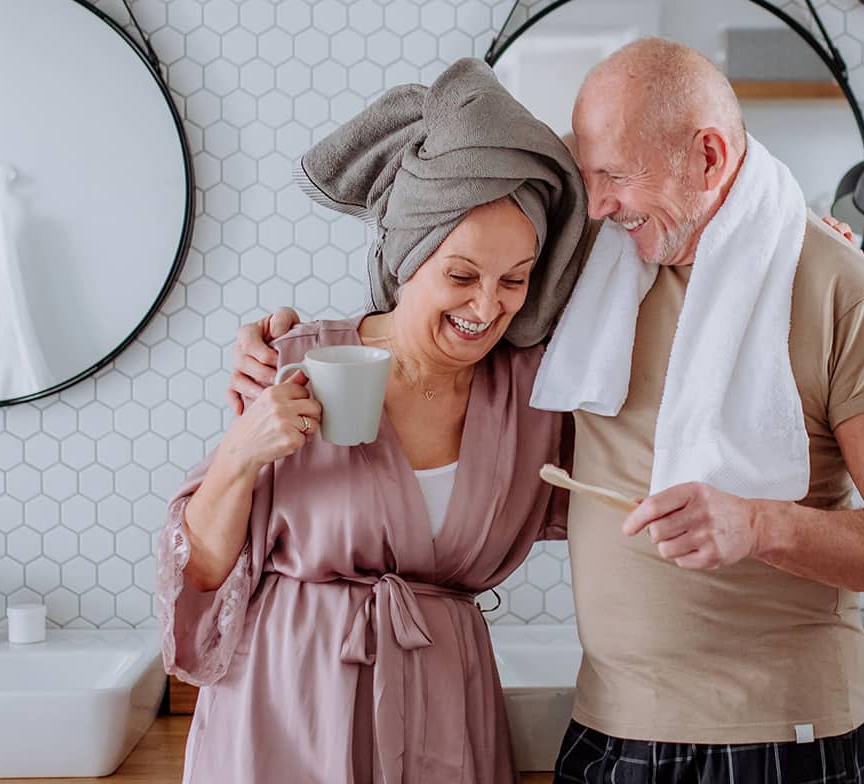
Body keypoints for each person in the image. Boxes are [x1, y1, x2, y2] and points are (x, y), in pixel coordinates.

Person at [233, 38, 864, 784]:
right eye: (589, 176)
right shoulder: (594, 274)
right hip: (609, 733)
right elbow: (444, 307)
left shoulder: (844, 294)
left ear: (708, 158)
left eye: (616, 175)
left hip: (779, 736)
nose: (600, 204)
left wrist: (759, 524)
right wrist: (277, 349)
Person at [155, 59, 589, 784]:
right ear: (405, 257)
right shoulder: (297, 364)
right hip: (285, 715)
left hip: (445, 713)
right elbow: (199, 574)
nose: (487, 307)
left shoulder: (534, 397)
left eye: (514, 279)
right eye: (460, 275)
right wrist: (241, 454)